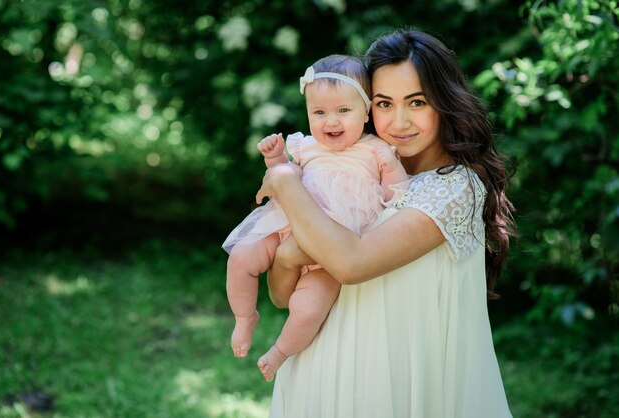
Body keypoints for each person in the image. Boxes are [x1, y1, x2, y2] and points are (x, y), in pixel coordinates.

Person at [256, 28, 516, 417]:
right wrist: (292, 254)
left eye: (416, 102)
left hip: (394, 387)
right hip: (318, 374)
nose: (399, 121)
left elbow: (350, 263)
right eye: (383, 102)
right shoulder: (350, 179)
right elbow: (280, 296)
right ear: (364, 106)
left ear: (444, 102)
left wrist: (283, 180)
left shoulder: (454, 187)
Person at [221, 54, 408, 381]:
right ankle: (243, 317)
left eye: (343, 111)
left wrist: (393, 174)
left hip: (332, 248)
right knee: (240, 257)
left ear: (365, 112)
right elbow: (286, 177)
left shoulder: (375, 150)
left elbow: (396, 196)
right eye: (318, 112)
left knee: (308, 309)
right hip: (285, 224)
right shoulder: (306, 146)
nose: (330, 122)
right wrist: (276, 157)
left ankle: (279, 351)